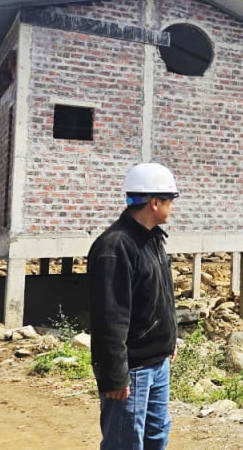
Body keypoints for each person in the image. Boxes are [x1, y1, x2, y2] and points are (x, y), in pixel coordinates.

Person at [88, 162, 180, 450]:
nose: (173, 207)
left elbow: (160, 295)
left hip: (158, 363)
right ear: (154, 202)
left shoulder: (152, 240)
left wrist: (169, 340)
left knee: (156, 437)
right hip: (134, 369)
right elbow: (109, 318)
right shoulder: (115, 247)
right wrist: (115, 375)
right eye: (170, 200)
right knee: (124, 443)